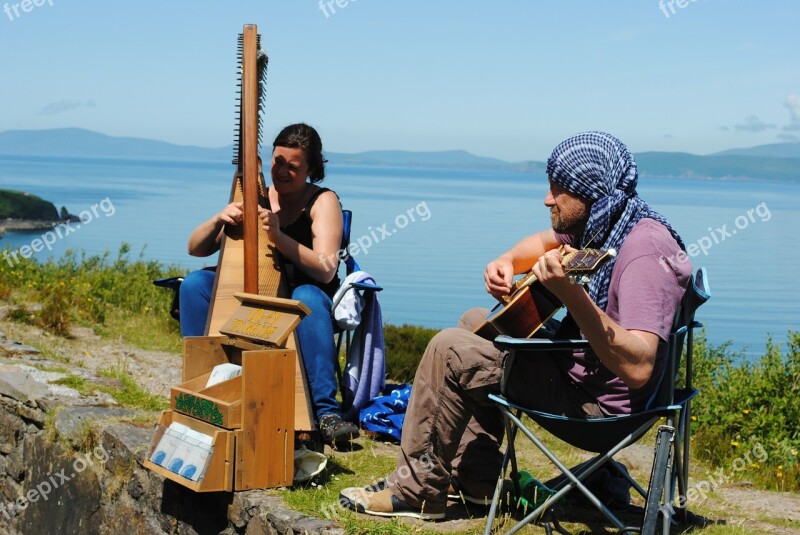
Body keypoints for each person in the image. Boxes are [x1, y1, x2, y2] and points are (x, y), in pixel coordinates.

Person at [339, 131, 692, 519]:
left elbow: (639, 367)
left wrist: (571, 294)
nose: (547, 199)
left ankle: (417, 491)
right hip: (581, 374)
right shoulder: (608, 223)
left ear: (590, 191)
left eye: (558, 190)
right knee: (476, 320)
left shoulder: (644, 252)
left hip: (599, 411)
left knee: (449, 348)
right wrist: (506, 260)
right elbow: (542, 242)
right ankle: (479, 484)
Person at [179, 123, 360, 447]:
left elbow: (326, 269)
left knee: (304, 296)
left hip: (308, 292)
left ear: (310, 169)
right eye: (278, 161)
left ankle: (326, 413)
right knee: (195, 285)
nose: (283, 171)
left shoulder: (322, 200)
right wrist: (221, 219)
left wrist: (278, 236)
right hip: (259, 290)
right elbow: (195, 248)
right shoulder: (257, 196)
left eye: (294, 166)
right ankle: (201, 389)